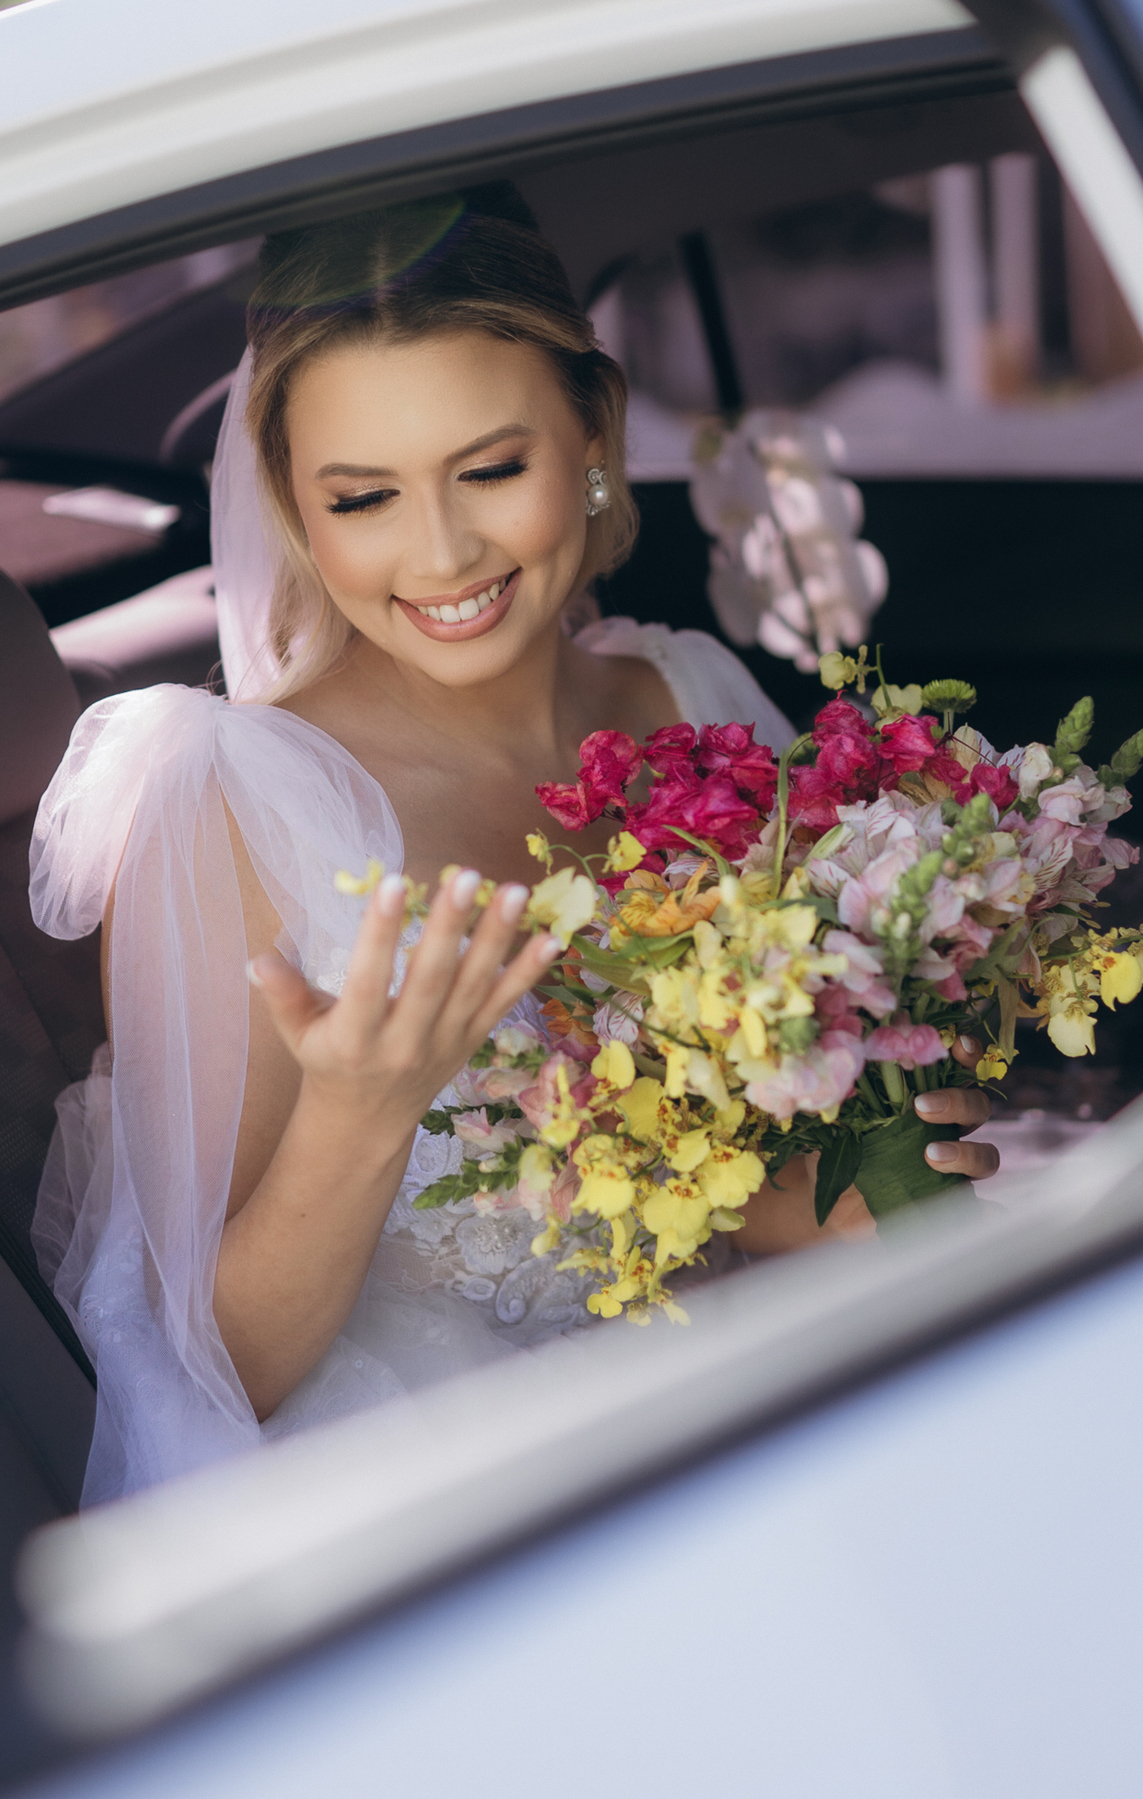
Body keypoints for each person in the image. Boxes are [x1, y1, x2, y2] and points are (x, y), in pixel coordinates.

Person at [30, 186, 998, 1504]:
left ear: (590, 437)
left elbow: (762, 1185)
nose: (440, 554)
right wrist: (361, 1118)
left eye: (492, 469)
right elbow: (219, 1376)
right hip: (459, 1507)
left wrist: (871, 1174)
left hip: (764, 1404)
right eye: (363, 496)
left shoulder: (691, 696)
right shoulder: (225, 802)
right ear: (291, 506)